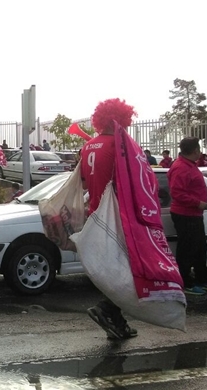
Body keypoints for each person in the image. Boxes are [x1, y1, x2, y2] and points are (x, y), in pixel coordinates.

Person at [80, 98, 138, 340]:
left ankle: (116, 319)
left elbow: (85, 180)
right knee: (127, 268)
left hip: (96, 212)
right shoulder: (119, 145)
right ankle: (107, 308)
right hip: (116, 213)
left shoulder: (88, 146)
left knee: (114, 268)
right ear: (120, 120)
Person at [167, 137, 207, 296]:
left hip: (193, 214)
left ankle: (203, 279)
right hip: (185, 214)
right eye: (199, 149)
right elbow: (177, 193)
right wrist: (197, 203)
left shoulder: (189, 165)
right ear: (195, 150)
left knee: (200, 248)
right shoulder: (181, 167)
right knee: (188, 250)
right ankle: (186, 282)